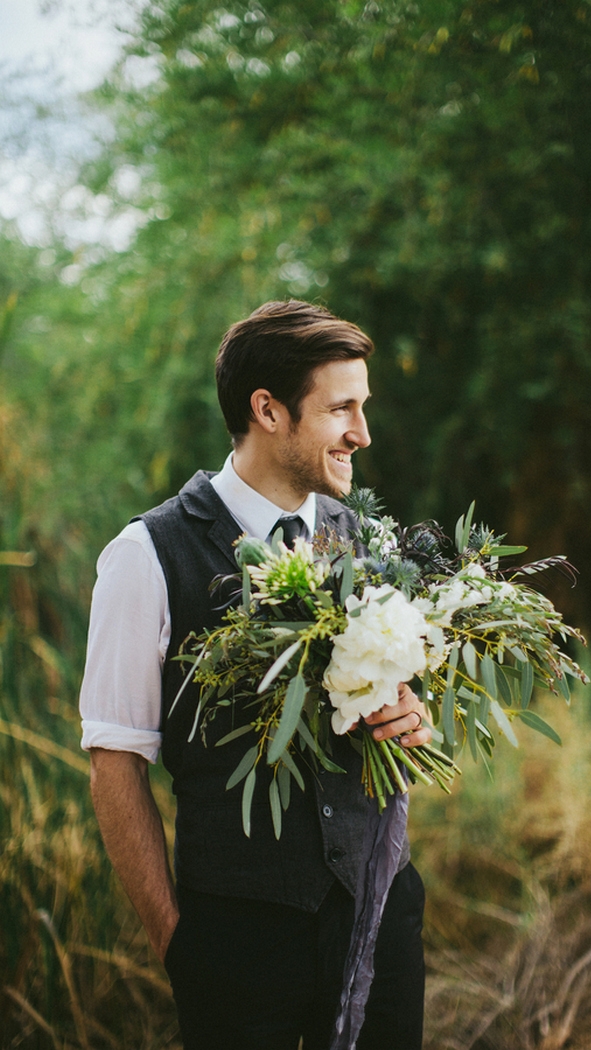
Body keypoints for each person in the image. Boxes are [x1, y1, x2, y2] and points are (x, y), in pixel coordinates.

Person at [79, 299, 430, 1050]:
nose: (362, 433)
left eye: (362, 408)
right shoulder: (147, 556)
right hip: (238, 946)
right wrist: (178, 945)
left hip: (381, 914)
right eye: (342, 409)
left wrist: (410, 713)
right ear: (267, 410)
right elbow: (114, 762)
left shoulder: (360, 537)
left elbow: (390, 701)